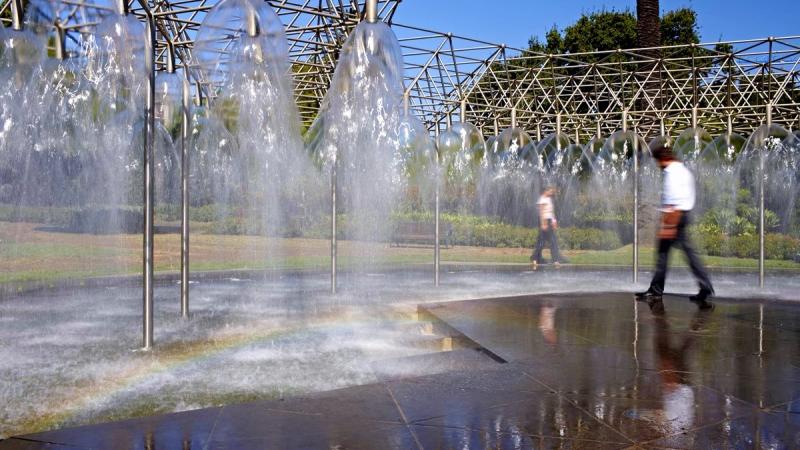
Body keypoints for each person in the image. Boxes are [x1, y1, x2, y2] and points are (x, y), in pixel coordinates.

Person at [636, 143, 715, 310]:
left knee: (664, 255)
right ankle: (705, 286)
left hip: (675, 217)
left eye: (658, 161)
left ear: (663, 159)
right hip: (682, 215)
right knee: (688, 254)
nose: (658, 165)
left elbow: (674, 202)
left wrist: (668, 225)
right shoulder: (684, 171)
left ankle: (656, 290)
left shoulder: (672, 173)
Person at [530, 185, 565, 268]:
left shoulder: (549, 199)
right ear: (546, 191)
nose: (552, 193)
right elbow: (541, 213)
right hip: (544, 221)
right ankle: (536, 258)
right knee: (543, 242)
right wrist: (543, 224)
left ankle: (554, 260)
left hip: (549, 221)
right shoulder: (542, 199)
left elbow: (551, 212)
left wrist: (554, 221)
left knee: (551, 241)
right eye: (550, 191)